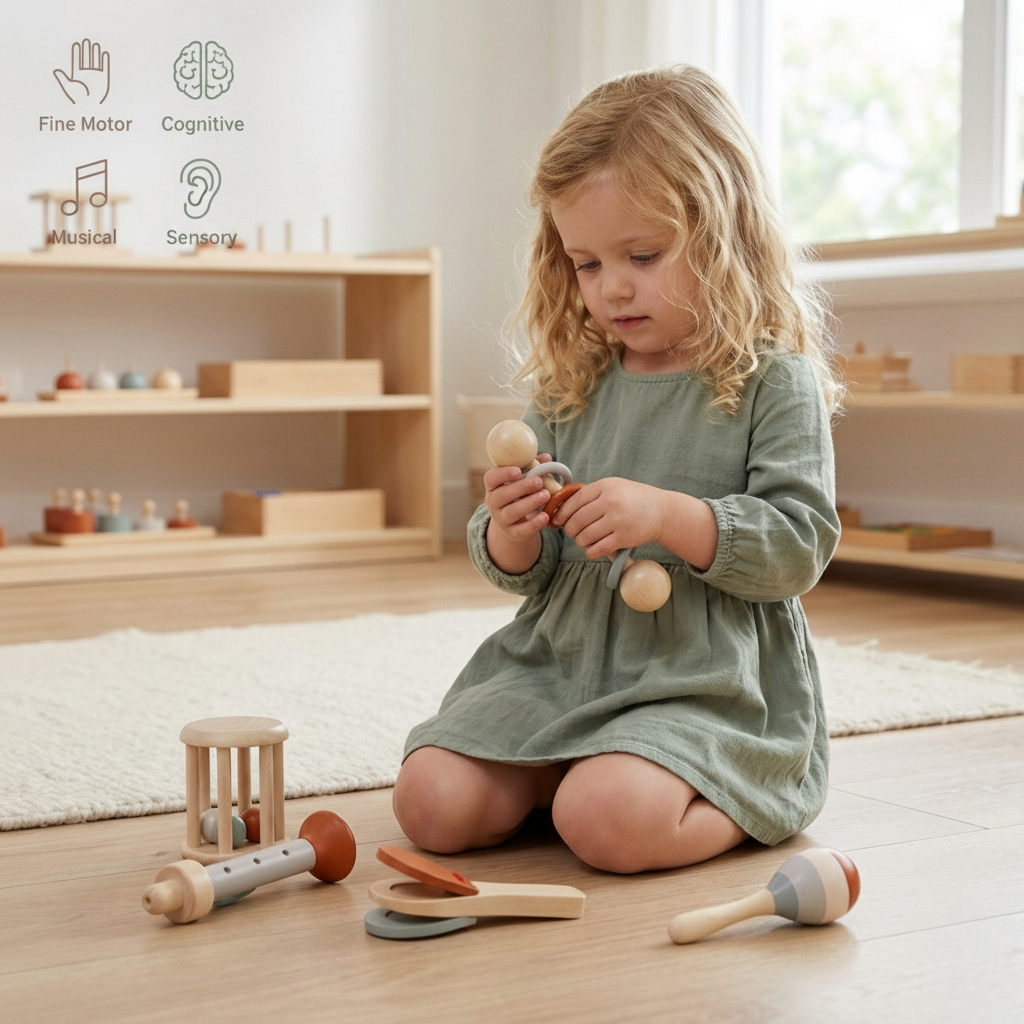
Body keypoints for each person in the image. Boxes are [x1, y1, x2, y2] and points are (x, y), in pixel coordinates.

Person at [394, 65, 843, 874]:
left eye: (643, 253)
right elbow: (521, 574)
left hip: (700, 678)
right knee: (429, 802)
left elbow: (799, 545)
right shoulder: (575, 380)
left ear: (725, 231)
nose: (613, 287)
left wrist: (672, 517)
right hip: (561, 665)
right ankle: (571, 768)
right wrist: (510, 529)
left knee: (607, 822)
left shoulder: (775, 380)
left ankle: (749, 797)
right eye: (587, 264)